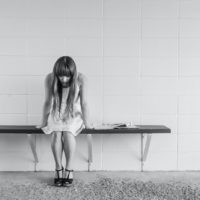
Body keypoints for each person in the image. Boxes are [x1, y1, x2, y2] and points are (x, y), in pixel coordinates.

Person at [36, 56, 90, 187]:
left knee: (67, 133)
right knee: (56, 132)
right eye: (60, 76)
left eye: (67, 76)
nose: (64, 79)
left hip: (73, 113)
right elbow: (48, 102)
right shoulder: (50, 78)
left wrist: (87, 123)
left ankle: (69, 169)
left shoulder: (81, 79)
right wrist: (43, 121)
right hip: (56, 112)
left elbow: (84, 103)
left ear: (73, 74)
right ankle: (58, 169)